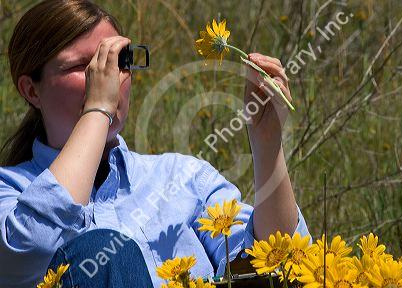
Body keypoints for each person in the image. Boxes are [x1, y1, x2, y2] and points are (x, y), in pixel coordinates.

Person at [0, 0, 311, 287]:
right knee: (99, 251)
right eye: (86, 67)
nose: (107, 78)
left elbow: (276, 262)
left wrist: (267, 144)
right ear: (31, 90)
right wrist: (98, 110)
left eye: (118, 61)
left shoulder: (183, 178)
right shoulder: (11, 191)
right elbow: (27, 250)